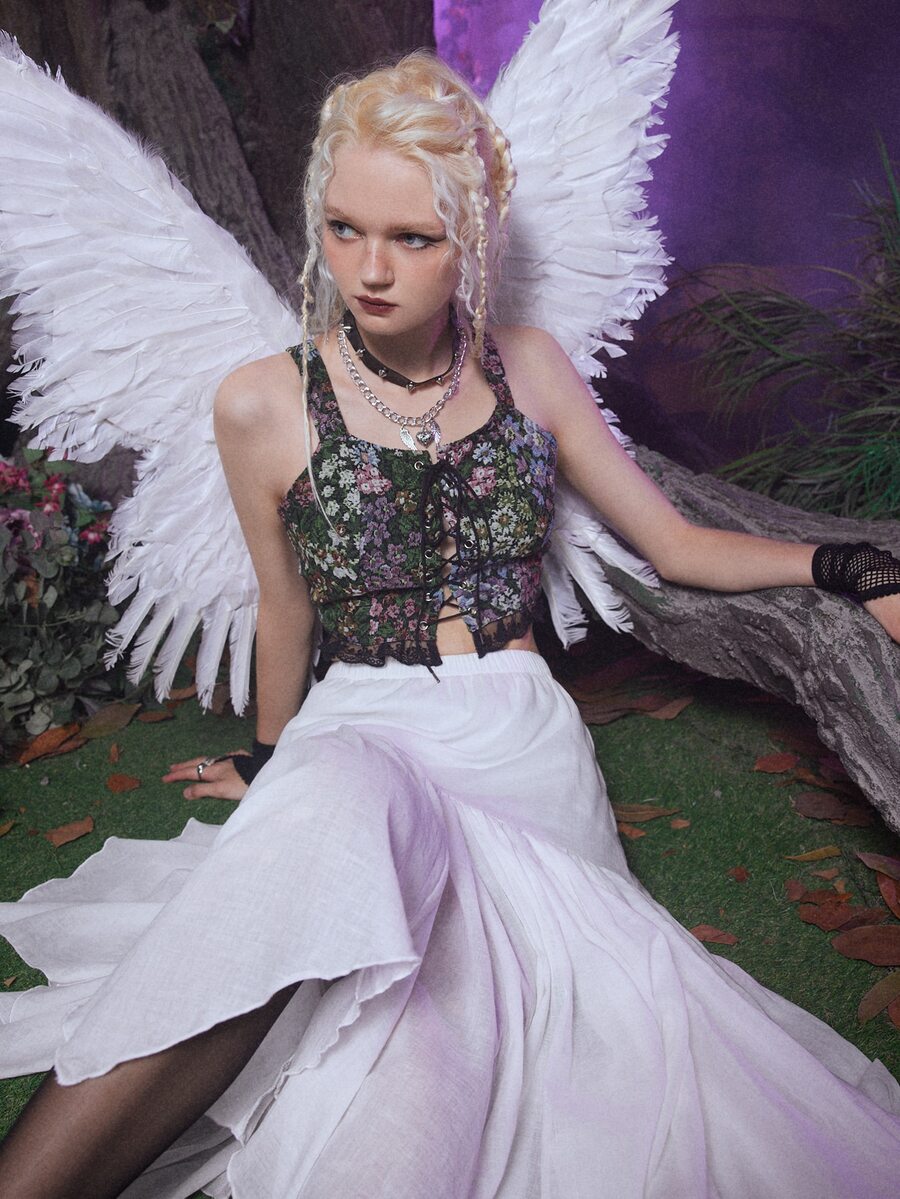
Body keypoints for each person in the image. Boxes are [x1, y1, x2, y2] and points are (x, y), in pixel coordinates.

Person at [2, 50, 900, 1199]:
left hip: (517, 743)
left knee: (437, 1039)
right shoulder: (260, 400)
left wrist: (852, 563)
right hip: (363, 720)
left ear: (471, 236)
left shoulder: (531, 369)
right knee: (334, 797)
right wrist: (270, 760)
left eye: (411, 238)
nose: (368, 270)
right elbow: (286, 603)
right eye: (343, 229)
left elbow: (674, 544)